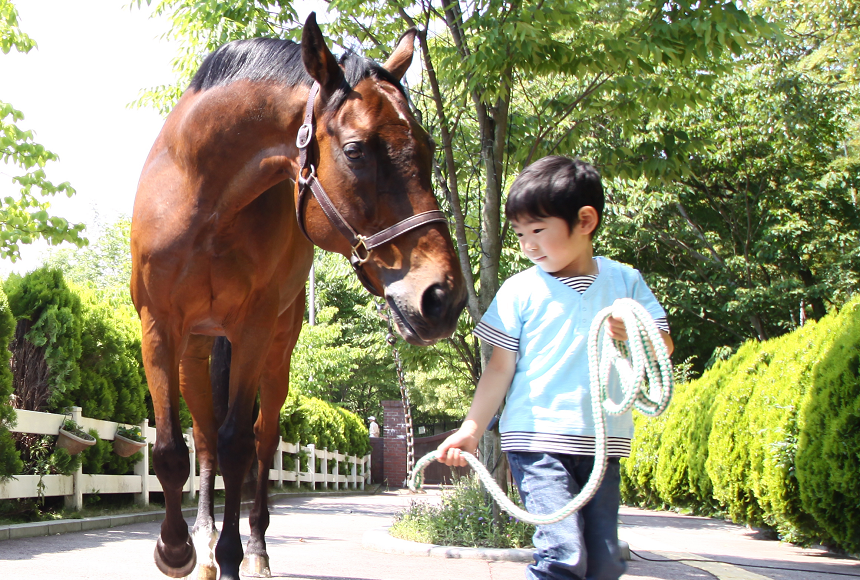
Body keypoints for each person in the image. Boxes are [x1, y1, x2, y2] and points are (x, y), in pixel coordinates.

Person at [437, 156, 673, 580]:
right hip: (536, 438)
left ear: (585, 221)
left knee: (604, 564)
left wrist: (631, 332)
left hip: (603, 445)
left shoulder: (626, 282)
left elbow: (662, 346)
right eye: (521, 234)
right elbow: (498, 370)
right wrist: (472, 429)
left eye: (539, 231)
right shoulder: (520, 290)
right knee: (563, 554)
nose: (528, 245)